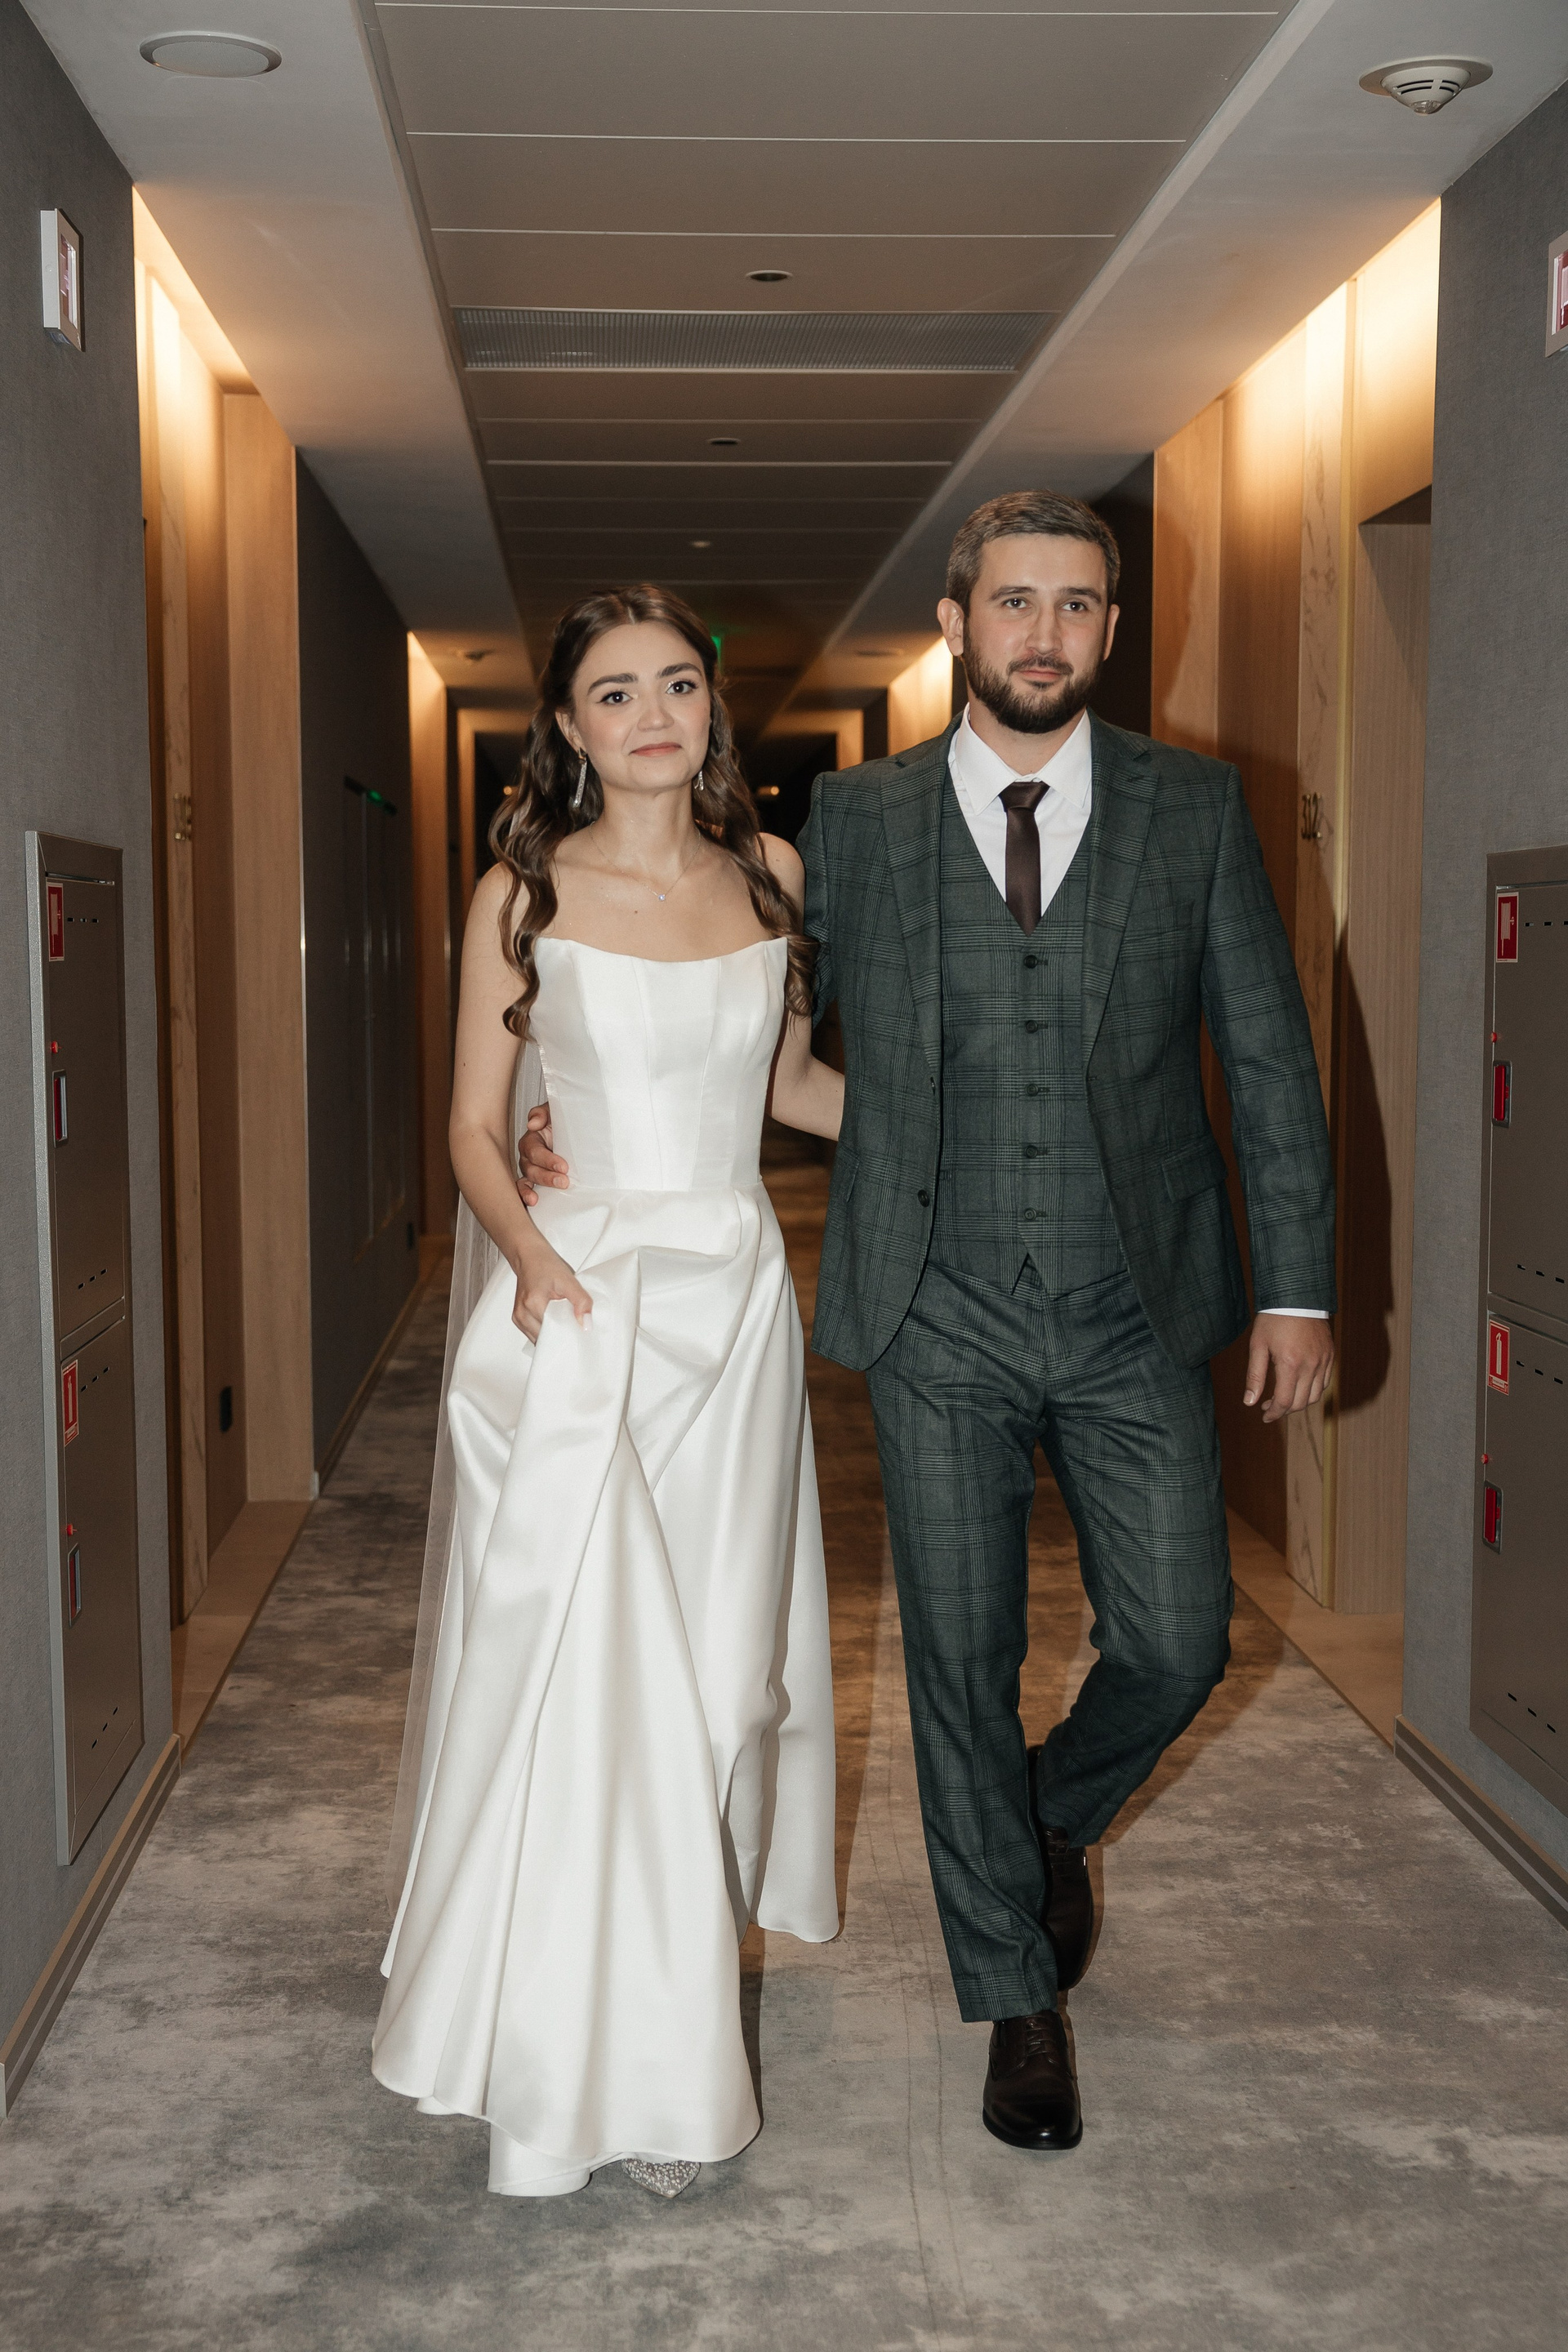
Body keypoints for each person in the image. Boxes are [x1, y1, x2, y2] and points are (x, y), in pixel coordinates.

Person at [523, 490, 1335, 2157]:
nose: (1046, 632)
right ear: (957, 621)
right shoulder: (858, 818)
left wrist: (1297, 1286)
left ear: (1114, 629)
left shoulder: (1193, 808)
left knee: (1181, 1640)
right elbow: (742, 1023)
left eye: (1079, 604)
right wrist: (566, 1119)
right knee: (959, 1663)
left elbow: (1265, 1054)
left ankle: (1042, 1821)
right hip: (933, 1305)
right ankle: (1017, 2002)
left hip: (1134, 1299)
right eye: (1015, 601)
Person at [373, 586, 844, 2200]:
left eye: (678, 685)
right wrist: (527, 1256)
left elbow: (793, 1088)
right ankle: (608, 2064)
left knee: (717, 1685)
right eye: (617, 691)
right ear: (569, 726)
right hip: (577, 1312)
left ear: (714, 707)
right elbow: (471, 1127)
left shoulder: (774, 874)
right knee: (599, 1682)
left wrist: (963, 1121)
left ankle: (659, 2007)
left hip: (735, 1305)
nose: (653, 715)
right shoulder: (520, 893)